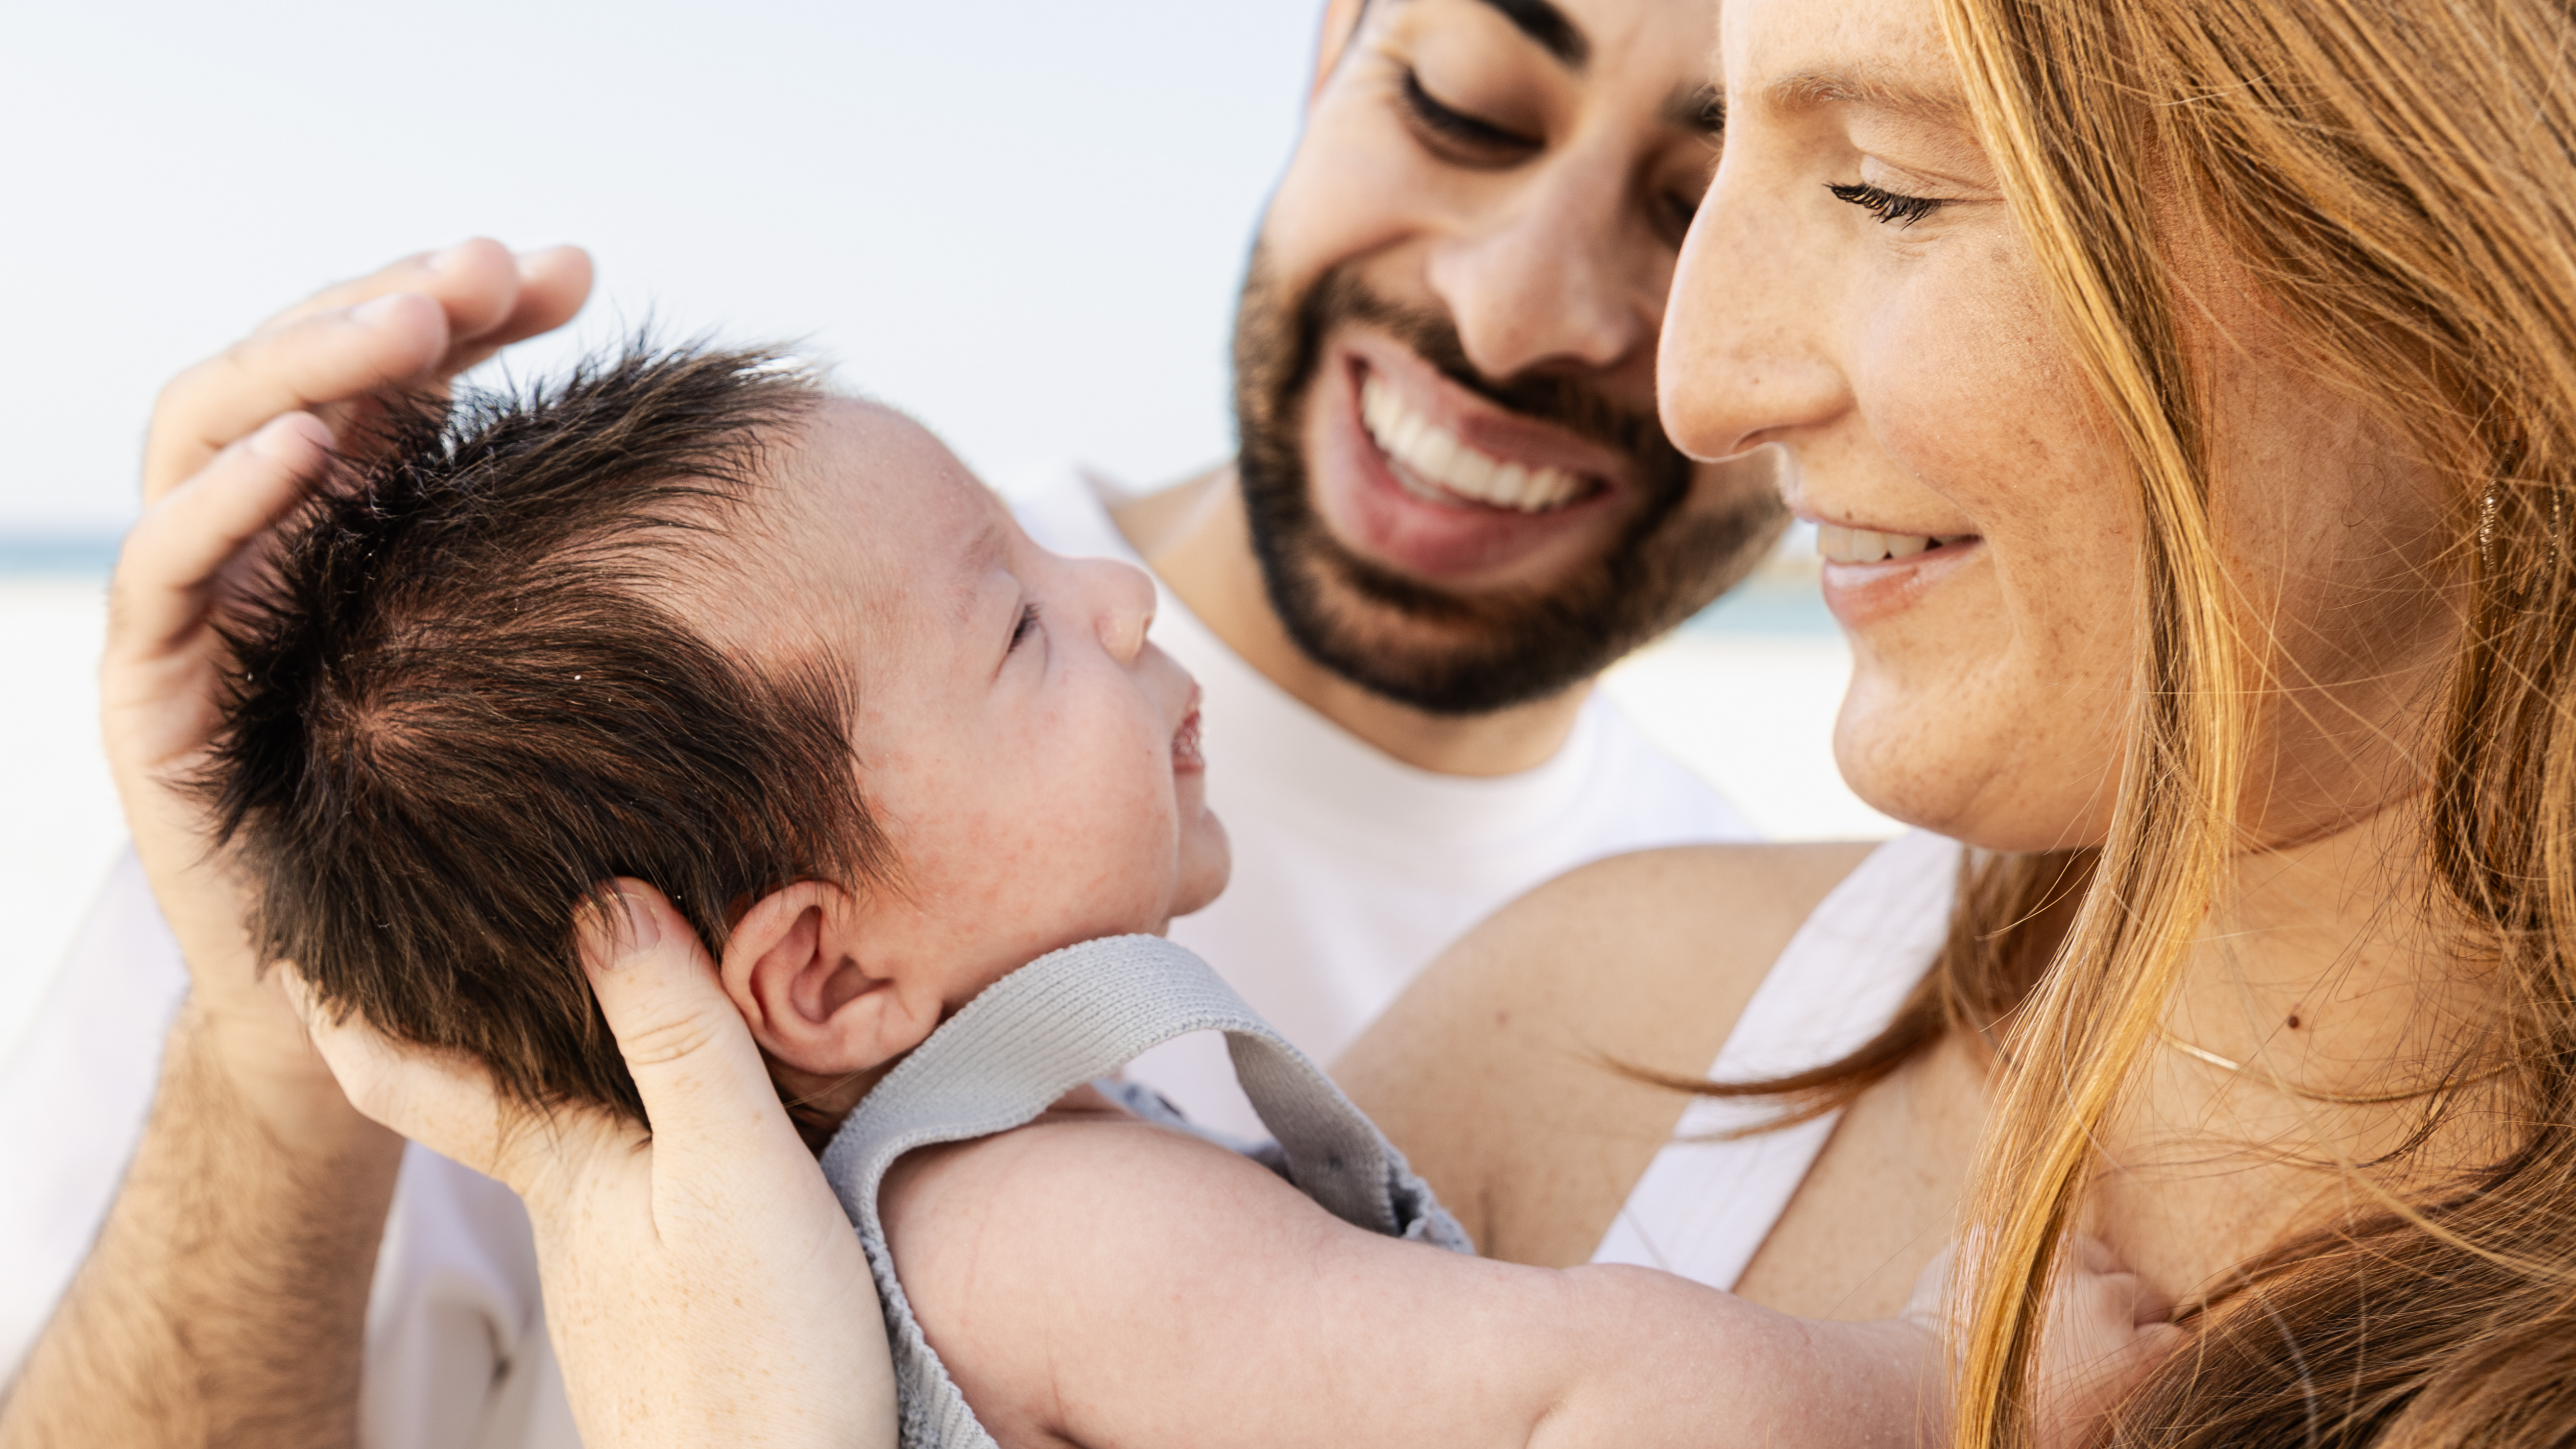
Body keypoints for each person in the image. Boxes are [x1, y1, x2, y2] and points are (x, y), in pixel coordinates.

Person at [79, 0, 2576, 1440]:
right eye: (1465, 103)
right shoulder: (1460, 1053)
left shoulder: (1507, 961)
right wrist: (280, 1010)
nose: (1634, 348)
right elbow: (1556, 1387)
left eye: (1872, 187)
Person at [0, 1, 1779, 1429]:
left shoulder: (1815, 969)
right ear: (1333, 43)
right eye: (1465, 104)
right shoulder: (682, 736)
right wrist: (275, 1039)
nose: (1516, 310)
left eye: (1714, 205)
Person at [14, 333, 2168, 1448]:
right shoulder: (1031, 1223)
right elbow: (1559, 1400)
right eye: (1020, 626)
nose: (1124, 593)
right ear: (823, 973)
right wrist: (1957, 1377)